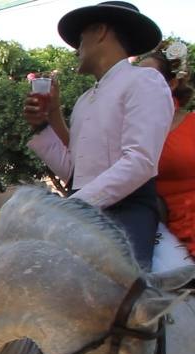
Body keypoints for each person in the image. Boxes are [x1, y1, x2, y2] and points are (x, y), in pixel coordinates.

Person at [24, 1, 172, 270]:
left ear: (101, 31)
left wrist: (75, 206)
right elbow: (75, 171)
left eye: (81, 40)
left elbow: (140, 161)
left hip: (126, 212)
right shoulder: (83, 100)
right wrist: (42, 124)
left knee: (124, 289)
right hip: (81, 213)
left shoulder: (145, 81)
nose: (77, 49)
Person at [139, 41, 195, 256]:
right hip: (167, 239)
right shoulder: (131, 131)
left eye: (148, 77)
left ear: (171, 84)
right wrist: (51, 118)